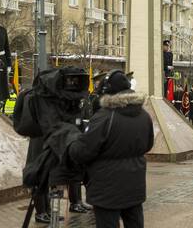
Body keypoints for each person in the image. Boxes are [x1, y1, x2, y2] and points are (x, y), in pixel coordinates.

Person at [56, 70, 153, 228]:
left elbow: (83, 151)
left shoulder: (105, 116)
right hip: (134, 186)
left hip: (107, 189)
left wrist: (71, 143)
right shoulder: (143, 115)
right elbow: (148, 145)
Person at [12, 66, 92, 223]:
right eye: (70, 80)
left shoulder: (64, 95)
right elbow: (47, 121)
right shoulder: (43, 96)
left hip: (59, 136)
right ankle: (41, 212)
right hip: (42, 139)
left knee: (70, 168)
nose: (72, 83)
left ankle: (61, 207)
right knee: (40, 174)